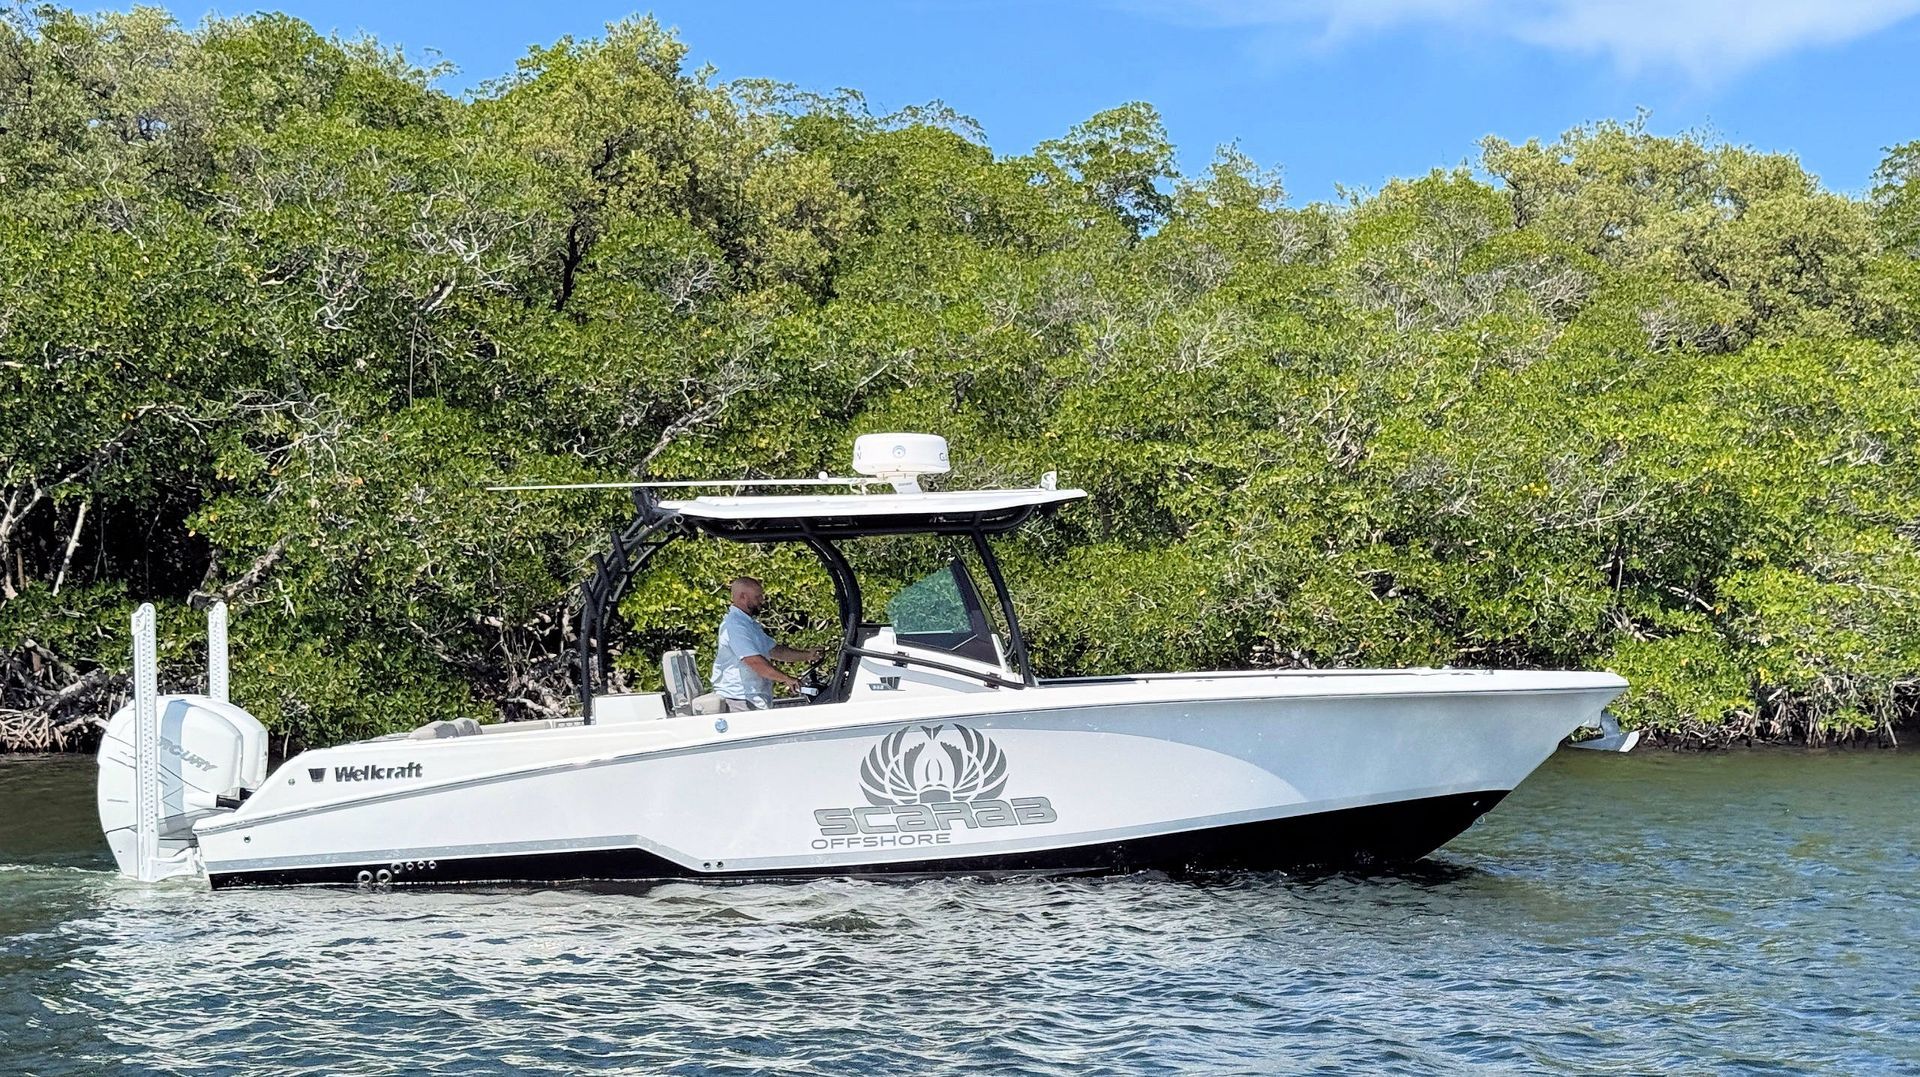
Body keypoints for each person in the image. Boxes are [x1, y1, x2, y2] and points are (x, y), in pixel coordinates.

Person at [711, 576, 821, 711]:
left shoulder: (749, 624)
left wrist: (808, 655)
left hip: (754, 697)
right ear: (743, 597)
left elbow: (775, 651)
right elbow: (754, 661)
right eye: (758, 597)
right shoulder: (735, 626)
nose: (762, 601)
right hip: (739, 699)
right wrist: (786, 679)